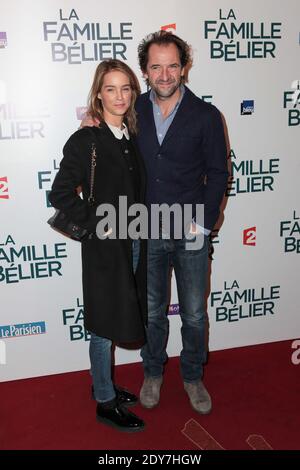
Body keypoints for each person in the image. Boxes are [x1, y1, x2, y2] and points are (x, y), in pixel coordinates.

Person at [82, 31, 228, 415]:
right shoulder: (130, 112)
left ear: (185, 68)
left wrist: (205, 222)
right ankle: (153, 372)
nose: (165, 74)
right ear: (145, 71)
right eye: (156, 66)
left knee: (194, 312)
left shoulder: (207, 116)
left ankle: (193, 375)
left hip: (191, 230)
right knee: (151, 311)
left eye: (172, 66)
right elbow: (106, 144)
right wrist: (90, 129)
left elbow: (218, 171)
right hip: (145, 230)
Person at [49, 59, 147, 432]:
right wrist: (97, 228)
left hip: (134, 242)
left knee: (117, 315)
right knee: (103, 326)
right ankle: (105, 401)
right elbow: (60, 193)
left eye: (126, 88)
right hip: (105, 249)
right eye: (111, 88)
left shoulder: (130, 137)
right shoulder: (86, 139)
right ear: (98, 94)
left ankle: (103, 384)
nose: (119, 96)